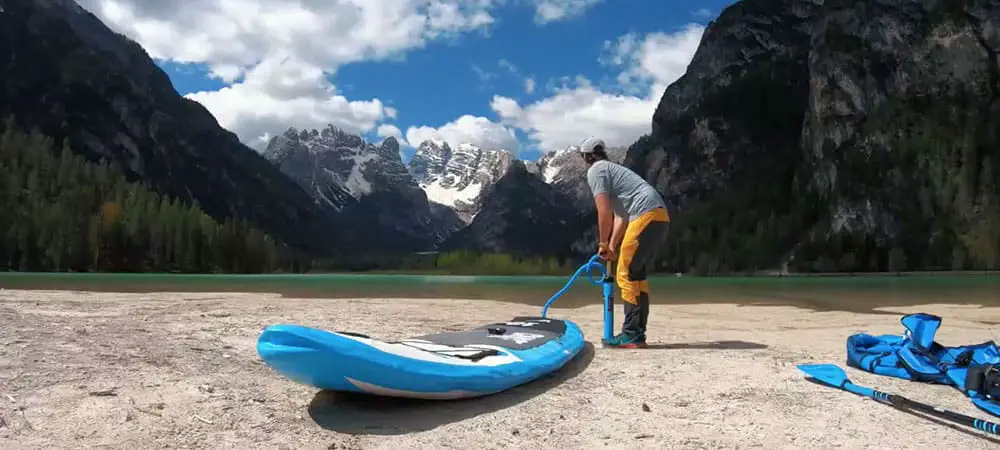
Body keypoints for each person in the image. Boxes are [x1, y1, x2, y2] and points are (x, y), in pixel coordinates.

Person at [579, 137, 671, 348]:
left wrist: (602, 243)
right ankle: (638, 333)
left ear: (587, 156)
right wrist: (611, 246)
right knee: (636, 275)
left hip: (645, 214)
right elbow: (621, 216)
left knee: (624, 273)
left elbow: (604, 211)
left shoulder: (597, 170)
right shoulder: (614, 172)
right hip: (659, 217)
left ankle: (631, 334)